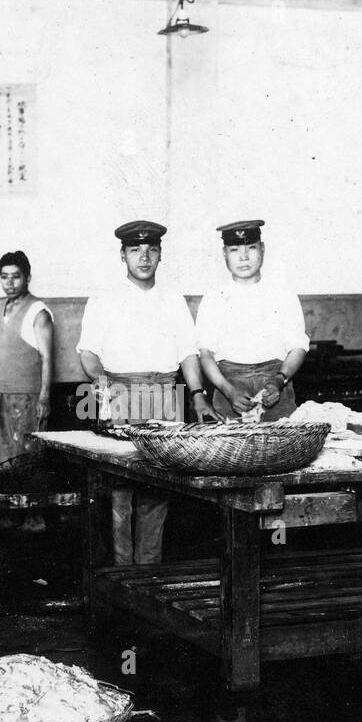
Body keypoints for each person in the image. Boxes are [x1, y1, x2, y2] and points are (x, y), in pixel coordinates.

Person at [77, 220, 219, 564]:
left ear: (160, 255)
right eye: (136, 250)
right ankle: (122, 573)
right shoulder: (104, 298)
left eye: (151, 250)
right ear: (122, 255)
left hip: (164, 395)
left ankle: (148, 573)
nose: (144, 257)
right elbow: (88, 352)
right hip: (120, 394)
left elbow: (188, 351)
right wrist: (99, 379)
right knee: (120, 493)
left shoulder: (172, 299)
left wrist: (198, 394)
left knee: (158, 493)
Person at [0, 250, 54, 527]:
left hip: (29, 396)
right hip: (5, 394)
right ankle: (12, 513)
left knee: (29, 457)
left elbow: (47, 357)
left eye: (16, 276)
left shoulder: (38, 312)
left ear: (27, 277)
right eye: (4, 277)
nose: (10, 282)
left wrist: (45, 397)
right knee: (4, 456)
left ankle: (35, 516)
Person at [195, 220, 310, 421]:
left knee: (283, 449)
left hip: (275, 390)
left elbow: (298, 348)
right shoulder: (214, 298)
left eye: (251, 247)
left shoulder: (283, 295)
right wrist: (228, 391)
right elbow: (205, 355)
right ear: (224, 254)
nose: (244, 257)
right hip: (228, 390)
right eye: (234, 249)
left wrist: (279, 380)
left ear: (262, 249)